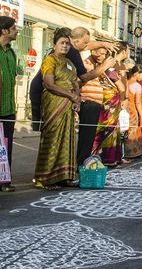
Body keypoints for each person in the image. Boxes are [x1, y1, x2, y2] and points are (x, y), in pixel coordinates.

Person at [28, 27, 112, 131]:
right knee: (51, 132)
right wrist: (105, 65)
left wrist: (104, 44)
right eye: (85, 42)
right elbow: (84, 77)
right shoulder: (68, 51)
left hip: (47, 94)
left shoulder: (67, 52)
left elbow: (86, 46)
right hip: (48, 97)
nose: (87, 46)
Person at [35, 28, 80, 190]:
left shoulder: (69, 64)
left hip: (68, 106)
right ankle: (45, 178)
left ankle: (64, 176)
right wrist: (70, 95)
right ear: (54, 45)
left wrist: (77, 99)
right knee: (52, 138)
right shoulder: (50, 60)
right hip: (54, 104)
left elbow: (75, 83)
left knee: (67, 139)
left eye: (68, 44)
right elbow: (49, 84)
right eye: (62, 43)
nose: (65, 46)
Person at [0, 16, 20, 192]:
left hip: (9, 108)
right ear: (4, 31)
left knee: (6, 145)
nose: (16, 31)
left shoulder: (11, 51)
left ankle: (3, 179)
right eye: (14, 28)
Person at [89, 47, 127, 166]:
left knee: (110, 129)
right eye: (98, 54)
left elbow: (121, 87)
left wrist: (123, 99)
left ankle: (109, 158)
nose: (100, 57)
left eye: (103, 54)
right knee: (98, 129)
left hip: (111, 103)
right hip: (99, 101)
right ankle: (96, 155)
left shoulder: (109, 70)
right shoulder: (94, 66)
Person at [124, 66, 142, 160]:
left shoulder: (125, 82)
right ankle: (131, 153)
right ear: (136, 74)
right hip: (132, 111)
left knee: (124, 131)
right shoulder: (137, 85)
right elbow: (138, 102)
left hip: (123, 109)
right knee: (132, 132)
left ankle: (123, 152)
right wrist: (141, 116)